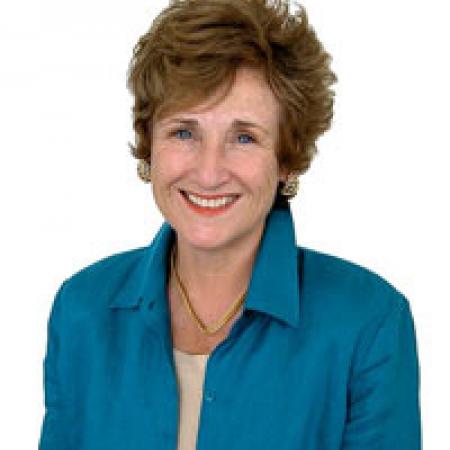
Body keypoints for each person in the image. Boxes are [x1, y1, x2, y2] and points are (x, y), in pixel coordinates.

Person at [38, 0, 421, 449]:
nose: (209, 172)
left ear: (286, 158)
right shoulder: (82, 310)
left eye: (244, 137)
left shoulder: (368, 323)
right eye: (184, 132)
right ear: (149, 144)